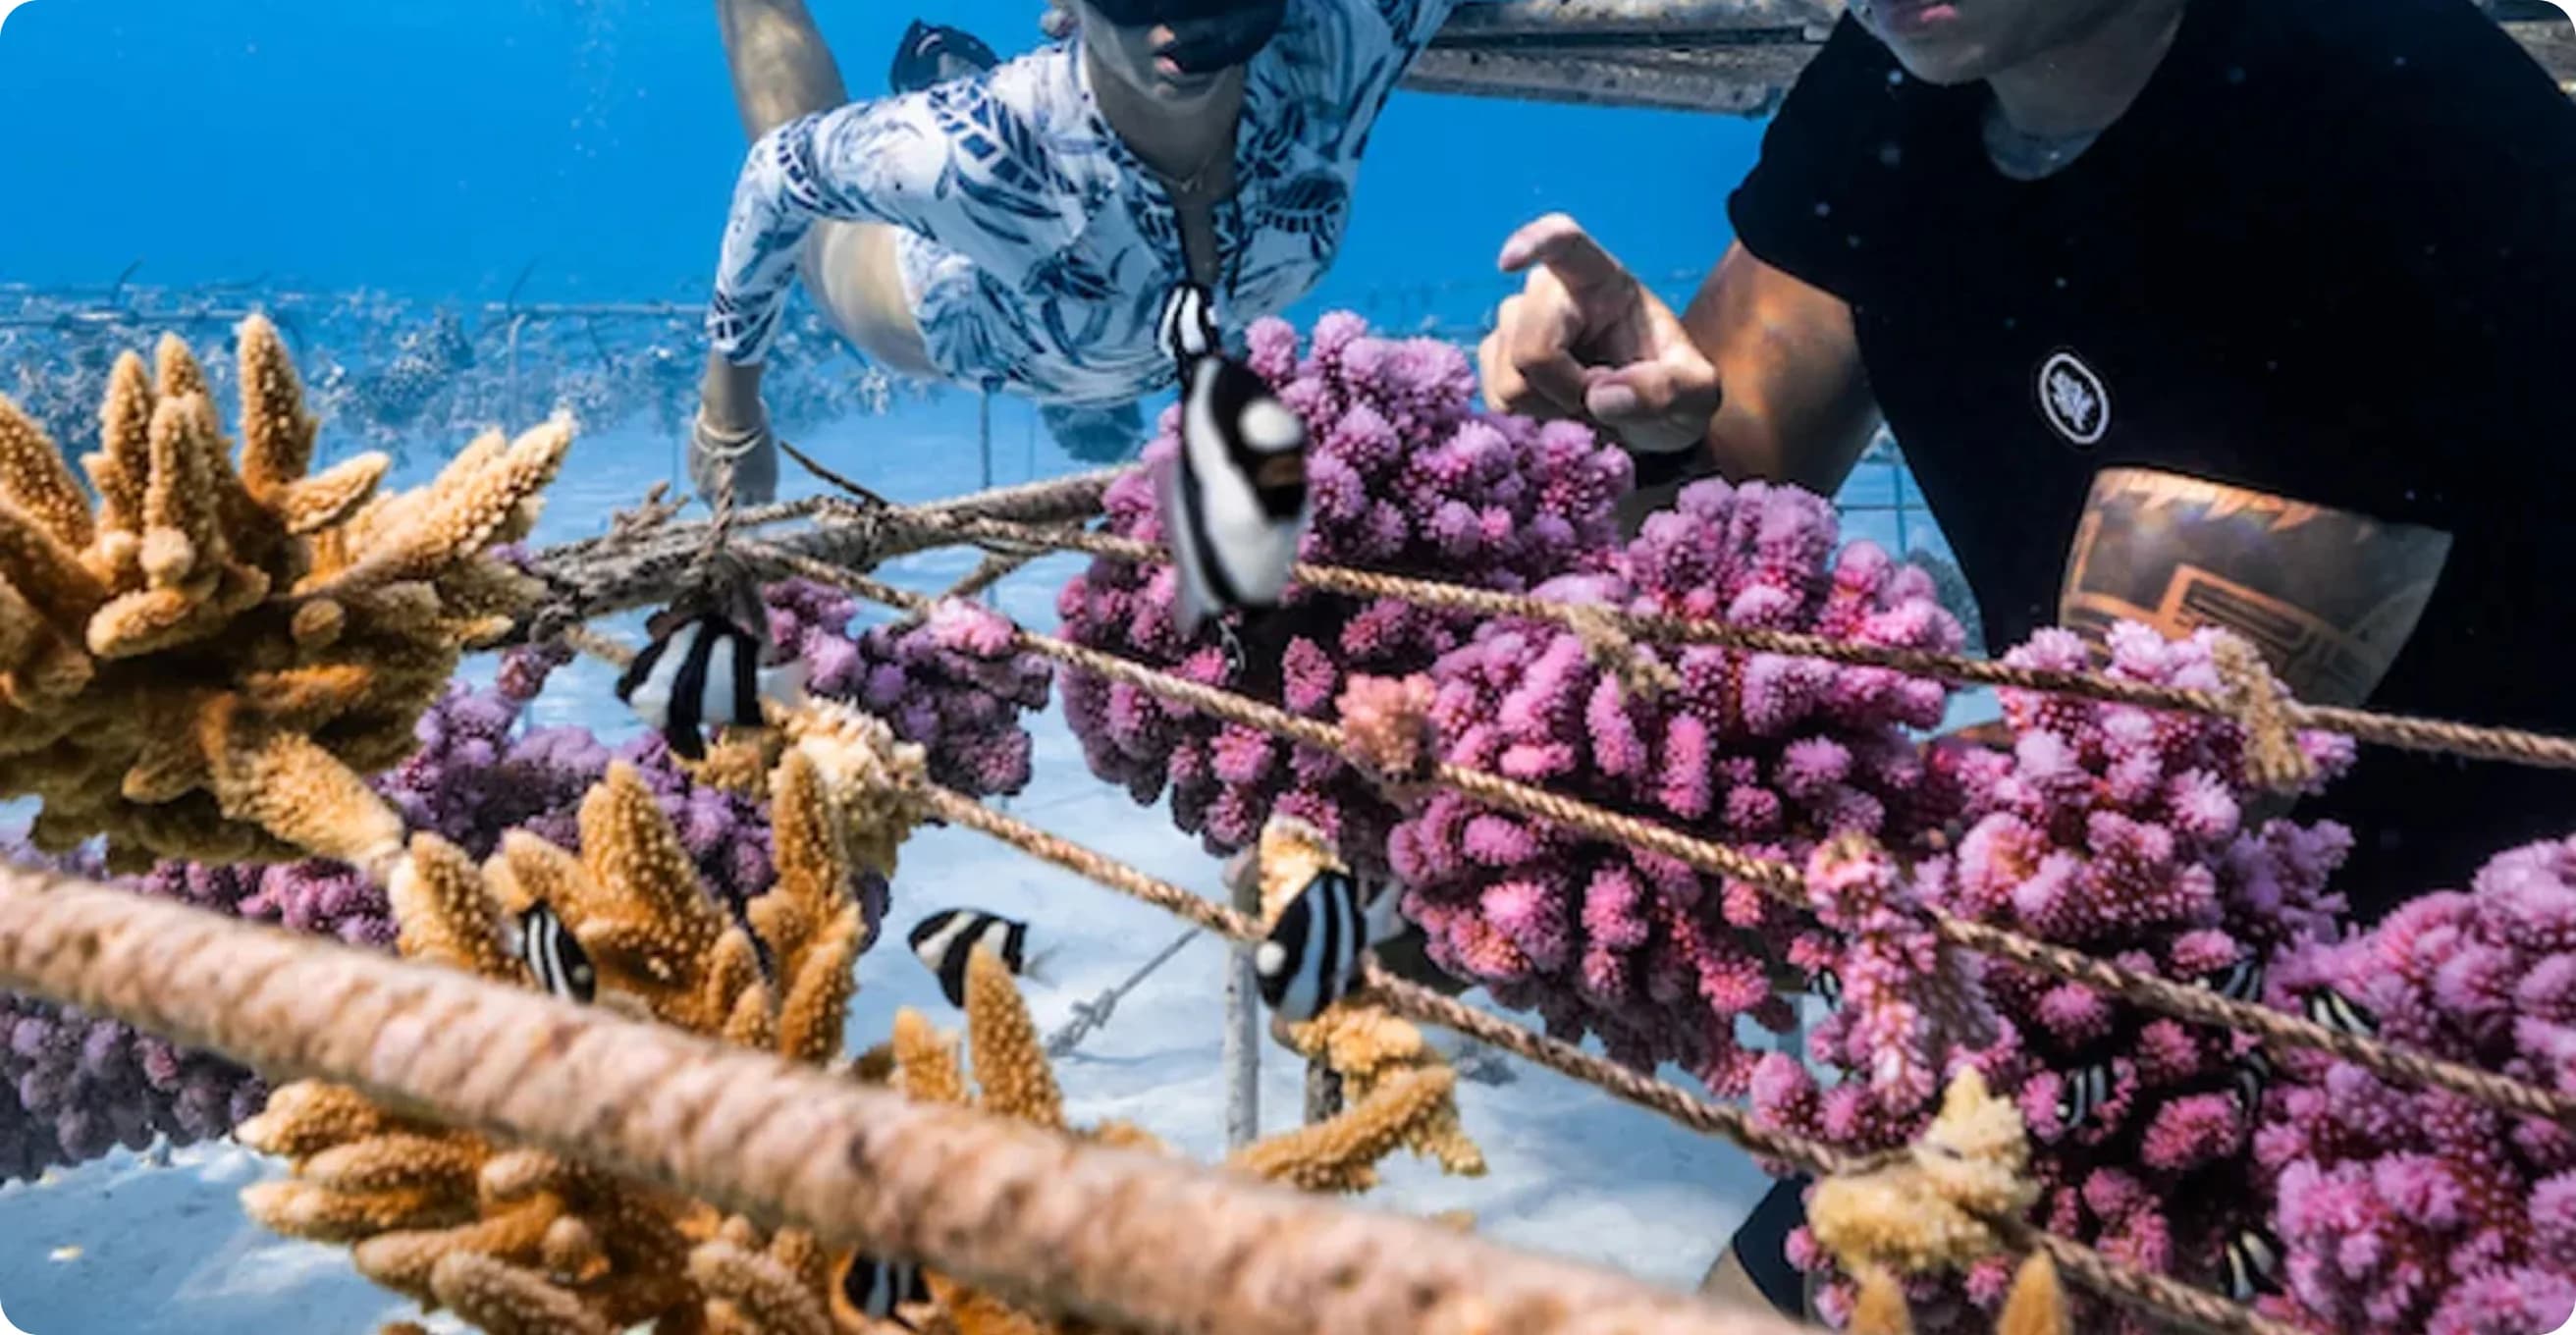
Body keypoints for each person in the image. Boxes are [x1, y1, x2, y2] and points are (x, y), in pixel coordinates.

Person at [1477, 0, 2575, 1316]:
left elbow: (2137, 796)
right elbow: (1722, 504)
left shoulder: (2382, 126)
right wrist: (1647, 436)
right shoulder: (1904, 70)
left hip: (2438, 1025)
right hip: (2119, 951)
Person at [695, 0, 1464, 502]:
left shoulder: (1338, 40)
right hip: (951, 310)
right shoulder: (979, 155)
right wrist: (729, 416)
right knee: (830, 231)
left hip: (1119, 318)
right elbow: (779, 175)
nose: (1185, 25)